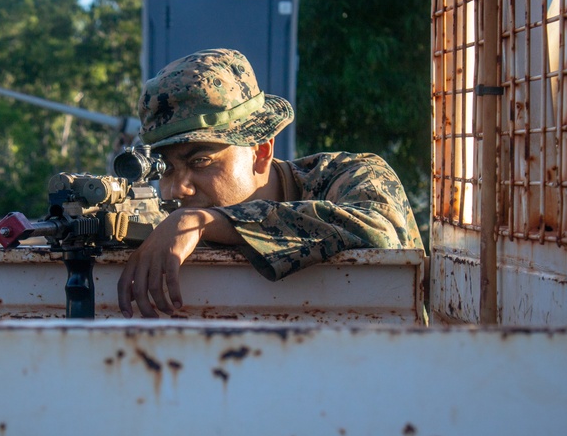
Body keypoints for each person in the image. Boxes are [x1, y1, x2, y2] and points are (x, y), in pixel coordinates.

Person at [117, 48, 424, 318]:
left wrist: (206, 222)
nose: (175, 189)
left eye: (200, 161)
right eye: (166, 168)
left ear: (260, 151)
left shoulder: (351, 175)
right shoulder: (167, 220)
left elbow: (381, 236)